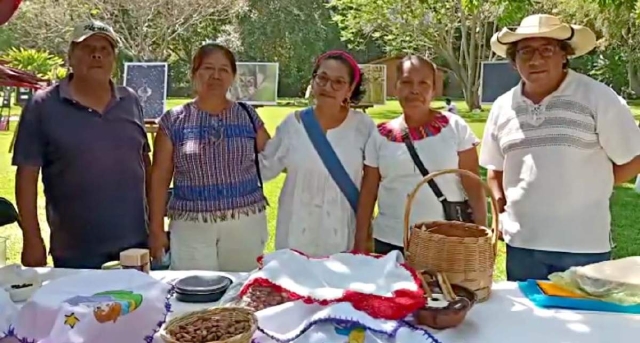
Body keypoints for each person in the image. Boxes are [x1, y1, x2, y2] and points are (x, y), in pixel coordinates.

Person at [481, 14, 640, 281]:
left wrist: (591, 186)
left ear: (564, 55)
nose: (536, 60)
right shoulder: (502, 106)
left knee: (587, 319)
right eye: (525, 52)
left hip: (583, 246)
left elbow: (634, 158)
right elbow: (495, 170)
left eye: (547, 50)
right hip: (522, 245)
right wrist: (501, 214)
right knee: (527, 320)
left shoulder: (597, 97)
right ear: (513, 61)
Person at [12, 21, 151, 269]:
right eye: (87, 48)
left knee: (141, 306)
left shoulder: (130, 100)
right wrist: (32, 239)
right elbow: (26, 176)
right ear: (70, 57)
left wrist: (156, 227)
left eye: (104, 49)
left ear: (114, 60)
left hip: (135, 246)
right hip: (75, 251)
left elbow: (145, 163)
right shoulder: (43, 106)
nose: (96, 54)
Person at [148, 42, 270, 272]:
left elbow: (275, 156)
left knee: (241, 294)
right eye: (207, 68)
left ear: (232, 76)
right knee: (193, 296)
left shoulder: (248, 115)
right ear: (194, 73)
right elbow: (159, 178)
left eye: (224, 69)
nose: (215, 75)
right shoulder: (173, 120)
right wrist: (156, 229)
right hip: (191, 227)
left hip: (244, 225)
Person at [354, 56, 486, 254]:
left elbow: (473, 185)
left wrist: (480, 237)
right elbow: (368, 191)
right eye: (406, 82)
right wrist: (360, 242)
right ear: (395, 87)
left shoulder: (455, 127)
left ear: (433, 90)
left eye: (423, 83)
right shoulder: (379, 135)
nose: (414, 90)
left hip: (445, 241)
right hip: (390, 242)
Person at [259, 51, 375, 257]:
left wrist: (362, 236)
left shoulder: (364, 127)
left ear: (350, 90)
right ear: (313, 81)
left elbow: (373, 183)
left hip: (342, 234)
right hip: (296, 233)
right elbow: (264, 168)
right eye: (322, 78)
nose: (328, 87)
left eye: (338, 82)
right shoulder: (292, 125)